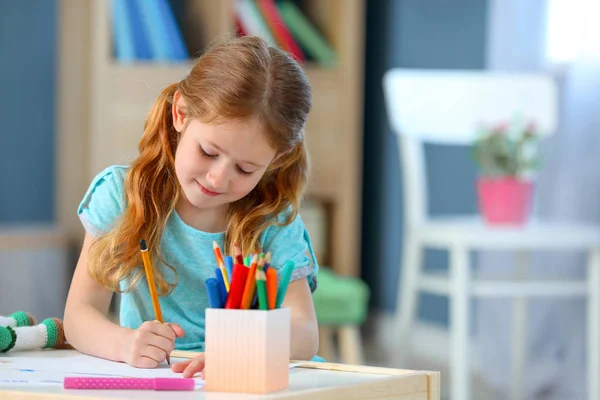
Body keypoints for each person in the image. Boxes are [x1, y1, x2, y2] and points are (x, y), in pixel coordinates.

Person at [64, 35, 319, 378]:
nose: (217, 179)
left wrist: (240, 350)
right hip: (161, 375)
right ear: (180, 114)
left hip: (248, 375)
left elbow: (304, 331)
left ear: (276, 160)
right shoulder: (122, 195)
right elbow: (79, 315)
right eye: (209, 152)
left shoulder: (272, 219)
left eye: (245, 169)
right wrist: (125, 344)